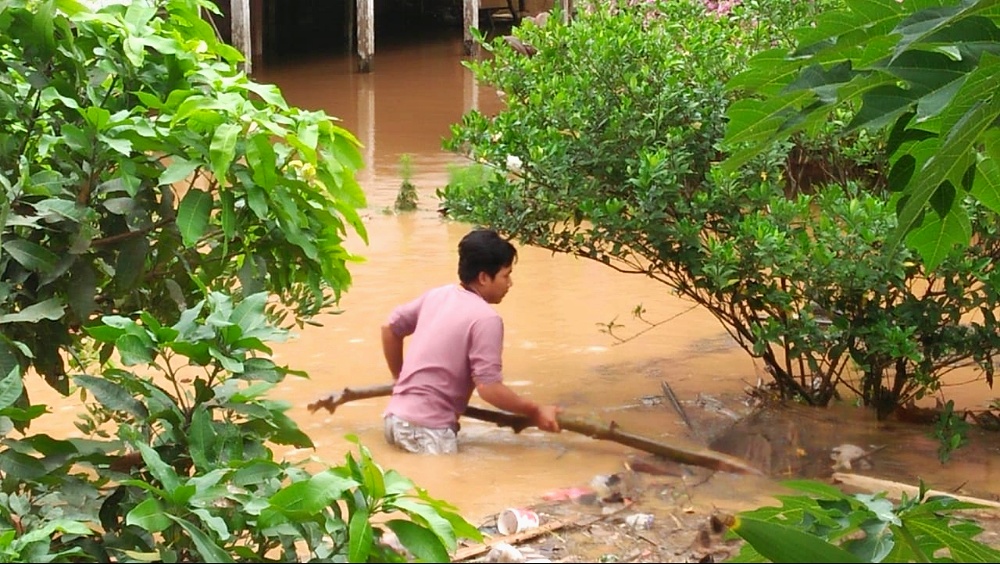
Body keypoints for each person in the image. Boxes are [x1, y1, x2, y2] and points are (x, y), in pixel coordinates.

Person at [380, 228, 561, 454]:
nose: (510, 283)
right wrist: (535, 410)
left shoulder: (438, 295)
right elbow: (489, 389)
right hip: (427, 431)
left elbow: (390, 329)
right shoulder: (486, 319)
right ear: (484, 277)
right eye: (506, 275)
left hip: (394, 420)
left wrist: (400, 381)